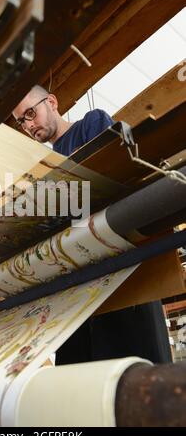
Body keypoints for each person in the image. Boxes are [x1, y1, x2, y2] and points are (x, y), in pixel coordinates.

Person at [13, 85, 172, 364]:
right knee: (83, 383)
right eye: (21, 121)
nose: (28, 125)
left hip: (119, 273)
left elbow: (112, 182)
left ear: (51, 102)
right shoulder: (43, 168)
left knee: (135, 375)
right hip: (74, 288)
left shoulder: (91, 124)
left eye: (30, 113)